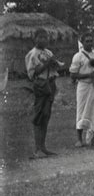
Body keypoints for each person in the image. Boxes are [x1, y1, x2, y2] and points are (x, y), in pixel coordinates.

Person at [25, 28, 61, 158]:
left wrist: (55, 63)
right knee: (39, 115)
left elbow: (54, 68)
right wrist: (46, 64)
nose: (43, 40)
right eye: (40, 37)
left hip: (50, 84)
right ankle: (37, 147)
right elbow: (33, 73)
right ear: (35, 39)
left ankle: (43, 146)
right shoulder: (32, 54)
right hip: (40, 85)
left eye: (45, 37)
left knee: (46, 115)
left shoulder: (48, 52)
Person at [70, 32, 94, 147]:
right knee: (81, 111)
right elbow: (73, 75)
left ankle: (93, 138)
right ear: (82, 42)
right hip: (83, 87)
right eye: (87, 41)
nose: (90, 43)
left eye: (91, 41)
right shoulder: (78, 56)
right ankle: (79, 139)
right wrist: (88, 75)